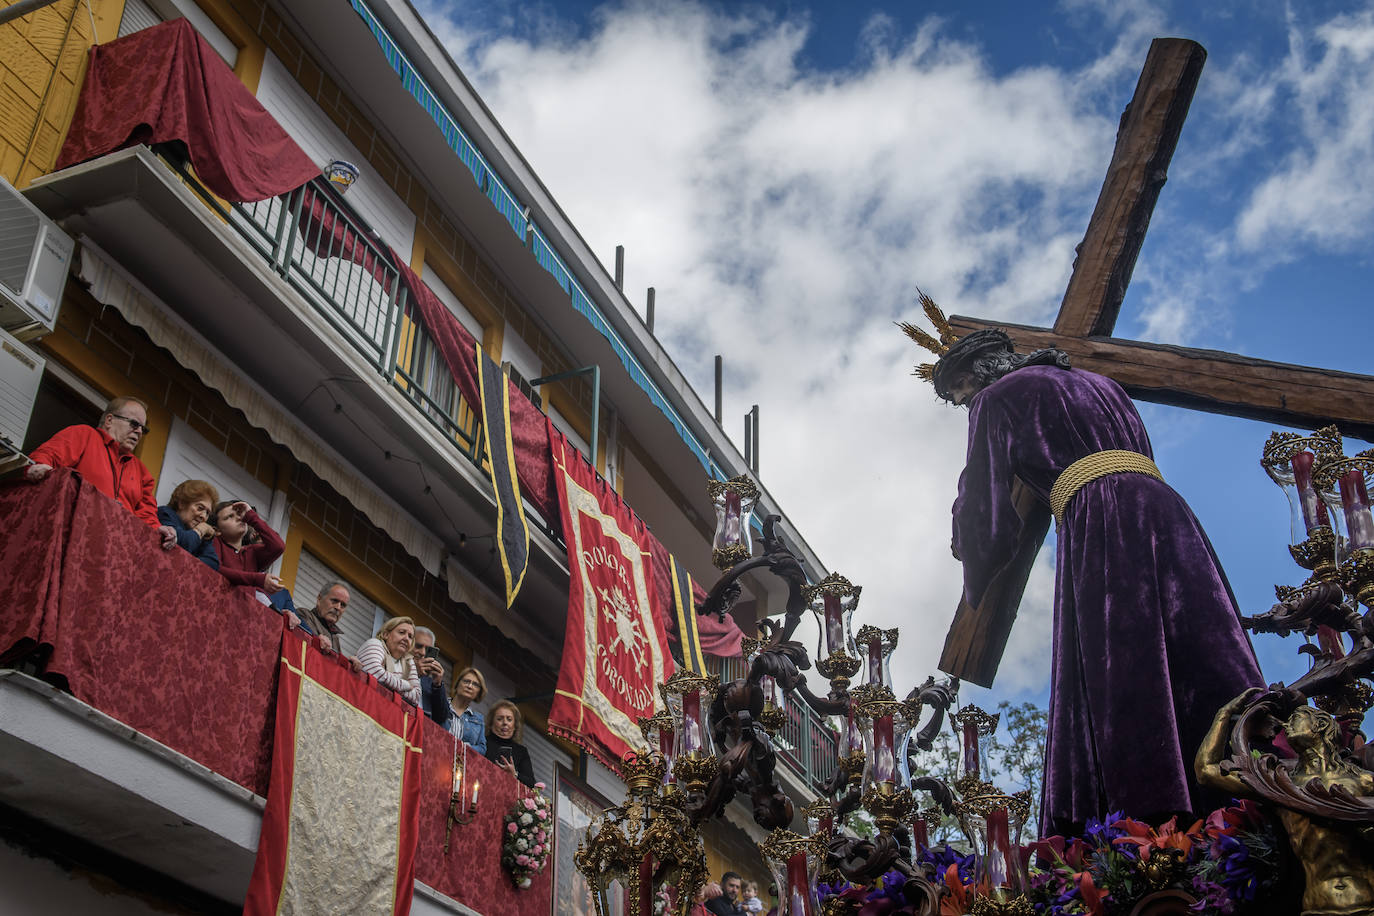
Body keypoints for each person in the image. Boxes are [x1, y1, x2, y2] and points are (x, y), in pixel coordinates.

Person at [903, 298, 1263, 835]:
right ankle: (1254, 773)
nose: (965, 403)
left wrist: (965, 543)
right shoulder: (1102, 385)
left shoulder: (996, 399)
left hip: (1102, 522)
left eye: (959, 394)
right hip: (1165, 509)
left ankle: (1152, 822)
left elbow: (986, 509)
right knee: (1197, 645)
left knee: (1126, 659)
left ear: (975, 375)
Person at [26, 395, 175, 547]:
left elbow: (147, 514)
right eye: (134, 424)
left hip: (111, 548)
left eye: (143, 429)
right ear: (109, 420)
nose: (139, 432)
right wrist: (42, 467)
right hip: (70, 533)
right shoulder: (84, 435)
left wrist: (159, 528)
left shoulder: (142, 472)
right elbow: (45, 458)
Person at [211, 500, 284, 593]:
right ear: (217, 530)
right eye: (229, 517)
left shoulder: (252, 552)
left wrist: (251, 515)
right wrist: (257, 579)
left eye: (239, 514)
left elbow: (278, 546)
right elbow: (217, 569)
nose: (239, 518)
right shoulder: (214, 542)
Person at [356, 616, 421, 705]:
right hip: (360, 700)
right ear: (386, 634)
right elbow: (374, 673)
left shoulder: (408, 661)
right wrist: (405, 685)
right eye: (401, 632)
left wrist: (387, 682)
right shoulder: (375, 644)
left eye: (410, 637)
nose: (406, 638)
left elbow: (416, 696)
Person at [157, 480, 220, 570]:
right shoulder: (165, 513)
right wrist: (199, 531)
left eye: (207, 513)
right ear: (182, 503)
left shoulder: (203, 534)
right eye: (200, 508)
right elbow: (181, 544)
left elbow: (213, 563)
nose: (203, 516)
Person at [484, 699, 535, 788]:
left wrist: (514, 774)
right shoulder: (482, 742)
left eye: (509, 719)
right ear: (491, 723)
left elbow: (531, 783)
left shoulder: (521, 751)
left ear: (515, 725)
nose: (505, 723)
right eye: (500, 719)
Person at [410, 626, 451, 727]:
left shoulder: (430, 682)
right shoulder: (397, 667)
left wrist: (437, 685)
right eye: (418, 646)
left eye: (428, 649)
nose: (423, 653)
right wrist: (415, 672)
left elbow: (442, 718)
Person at [446, 666, 487, 755]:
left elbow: (482, 749)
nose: (469, 686)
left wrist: (464, 747)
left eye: (475, 684)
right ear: (457, 684)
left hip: (459, 765)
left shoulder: (478, 719)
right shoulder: (441, 705)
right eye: (466, 681)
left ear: (479, 692)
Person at [299, 582, 348, 652]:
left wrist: (349, 662)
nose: (338, 607)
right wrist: (316, 640)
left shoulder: (335, 638)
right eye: (334, 601)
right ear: (319, 599)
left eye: (342, 605)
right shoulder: (304, 614)